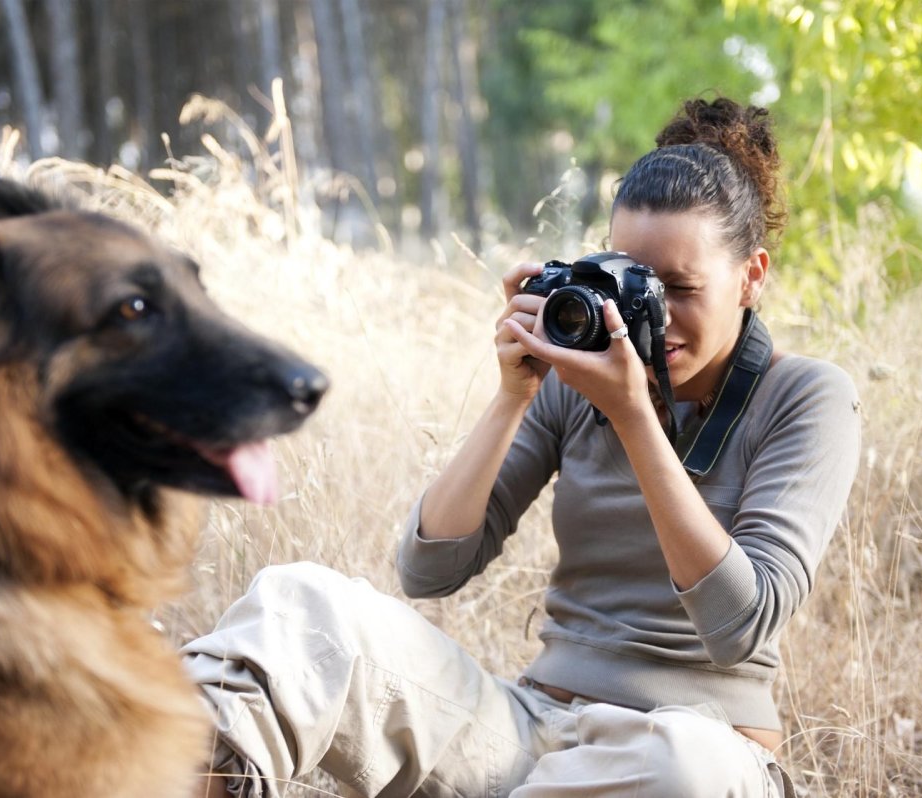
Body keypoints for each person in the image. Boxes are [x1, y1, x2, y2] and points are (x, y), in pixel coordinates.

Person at [182, 96, 861, 798]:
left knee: (683, 767)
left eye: (681, 289)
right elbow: (429, 569)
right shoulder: (575, 382)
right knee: (303, 604)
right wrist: (516, 392)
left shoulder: (807, 399)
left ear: (753, 274)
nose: (656, 315)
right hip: (533, 733)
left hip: (689, 755)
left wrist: (634, 418)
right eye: (636, 285)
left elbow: (739, 625)